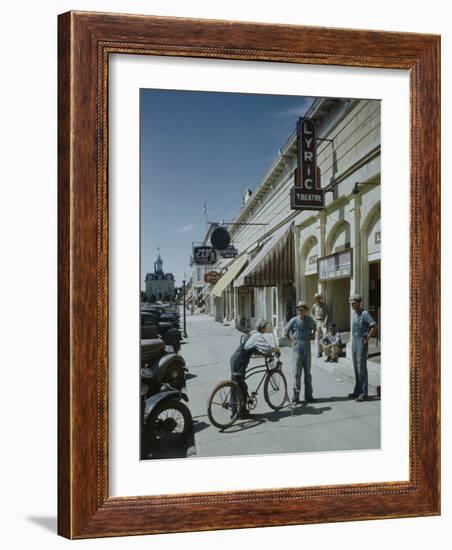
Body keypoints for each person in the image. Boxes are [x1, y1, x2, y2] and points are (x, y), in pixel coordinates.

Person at [230, 319, 280, 418]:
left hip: (235, 360)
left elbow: (255, 349)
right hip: (240, 361)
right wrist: (276, 349)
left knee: (236, 385)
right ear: (262, 328)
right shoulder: (257, 335)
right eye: (265, 327)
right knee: (242, 387)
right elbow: (267, 348)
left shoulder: (252, 333)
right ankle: (242, 412)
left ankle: (235, 411)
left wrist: (264, 355)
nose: (266, 329)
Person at [285, 301, 316, 404]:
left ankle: (309, 396)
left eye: (302, 309)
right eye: (298, 309)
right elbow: (286, 331)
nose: (300, 311)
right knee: (297, 374)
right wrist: (292, 339)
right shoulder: (294, 320)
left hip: (307, 349)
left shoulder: (309, 320)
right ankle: (295, 397)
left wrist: (313, 335)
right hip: (297, 350)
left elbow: (314, 327)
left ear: (306, 310)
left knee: (308, 374)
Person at [348, 294, 377, 402]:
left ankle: (364, 393)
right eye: (351, 303)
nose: (352, 305)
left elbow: (374, 326)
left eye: (353, 303)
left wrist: (368, 338)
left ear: (359, 302)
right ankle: (357, 390)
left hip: (361, 341)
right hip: (354, 341)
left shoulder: (364, 314)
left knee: (362, 368)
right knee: (356, 367)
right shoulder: (354, 314)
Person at [311, 293, 329, 358]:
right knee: (318, 337)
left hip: (323, 321)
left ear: (320, 298)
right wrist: (314, 320)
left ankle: (326, 352)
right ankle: (319, 352)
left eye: (318, 298)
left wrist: (325, 322)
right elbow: (312, 313)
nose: (317, 299)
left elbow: (327, 315)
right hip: (317, 322)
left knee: (325, 336)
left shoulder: (324, 305)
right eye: (316, 298)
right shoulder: (314, 306)